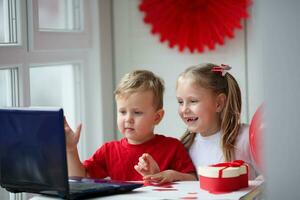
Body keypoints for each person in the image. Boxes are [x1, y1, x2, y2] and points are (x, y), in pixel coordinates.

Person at [64, 69, 196, 182]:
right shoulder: (108, 151)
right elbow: (79, 178)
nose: (128, 119)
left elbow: (193, 179)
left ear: (157, 117)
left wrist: (172, 175)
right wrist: (71, 149)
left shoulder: (173, 147)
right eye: (122, 112)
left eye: (137, 113)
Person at [140, 63, 258, 181]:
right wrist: (158, 174)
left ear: (219, 103)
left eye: (193, 101)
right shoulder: (185, 146)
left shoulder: (247, 138)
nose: (184, 109)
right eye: (180, 102)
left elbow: (271, 178)